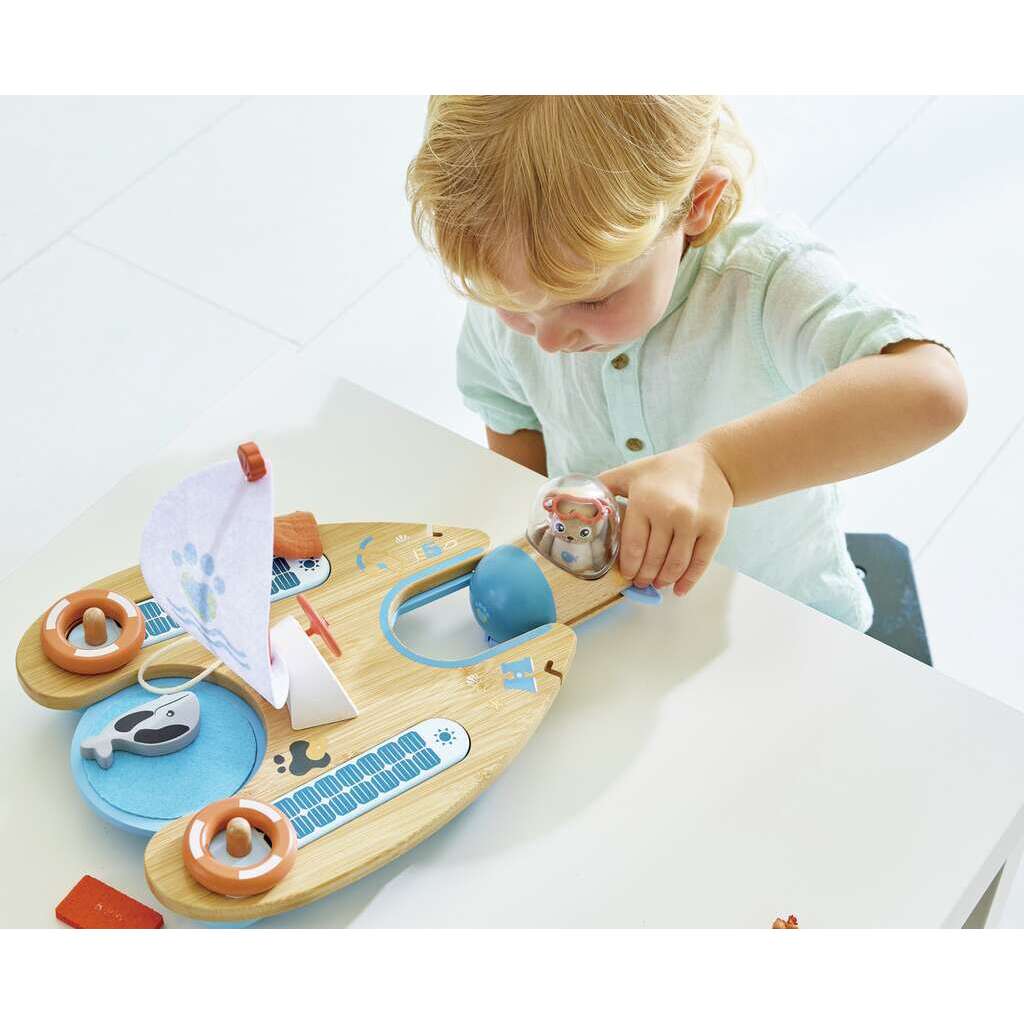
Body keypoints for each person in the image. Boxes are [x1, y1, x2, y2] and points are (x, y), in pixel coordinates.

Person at [406, 96, 966, 630]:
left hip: (781, 622)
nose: (547, 339)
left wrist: (721, 467)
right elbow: (508, 413)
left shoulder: (762, 282)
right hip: (614, 620)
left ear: (696, 204)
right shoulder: (526, 293)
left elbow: (930, 389)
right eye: (511, 303)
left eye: (592, 301)